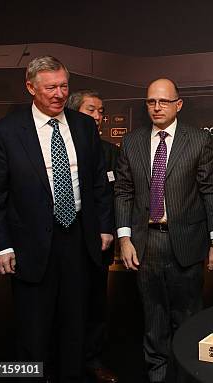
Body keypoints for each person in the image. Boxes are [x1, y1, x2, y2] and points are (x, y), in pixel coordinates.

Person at [0, 56, 114, 382]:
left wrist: (105, 227)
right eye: (50, 87)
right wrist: (0, 247)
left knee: (74, 327)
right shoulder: (6, 132)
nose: (59, 94)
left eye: (64, 86)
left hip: (79, 241)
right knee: (33, 330)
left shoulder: (83, 126)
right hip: (31, 246)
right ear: (30, 87)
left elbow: (99, 182)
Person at [114, 78, 213, 383]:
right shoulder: (132, 142)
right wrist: (124, 239)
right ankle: (158, 378)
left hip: (186, 244)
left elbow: (210, 192)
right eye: (151, 101)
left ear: (179, 104)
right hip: (145, 244)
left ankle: (187, 377)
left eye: (163, 101)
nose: (157, 107)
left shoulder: (198, 141)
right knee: (154, 321)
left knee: (188, 321)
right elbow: (123, 191)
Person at [66, 90, 119, 383]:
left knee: (96, 305)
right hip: (62, 243)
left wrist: (110, 231)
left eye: (101, 111)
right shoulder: (57, 147)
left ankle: (93, 360)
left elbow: (115, 197)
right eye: (91, 110)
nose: (98, 117)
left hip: (97, 244)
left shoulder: (110, 151)